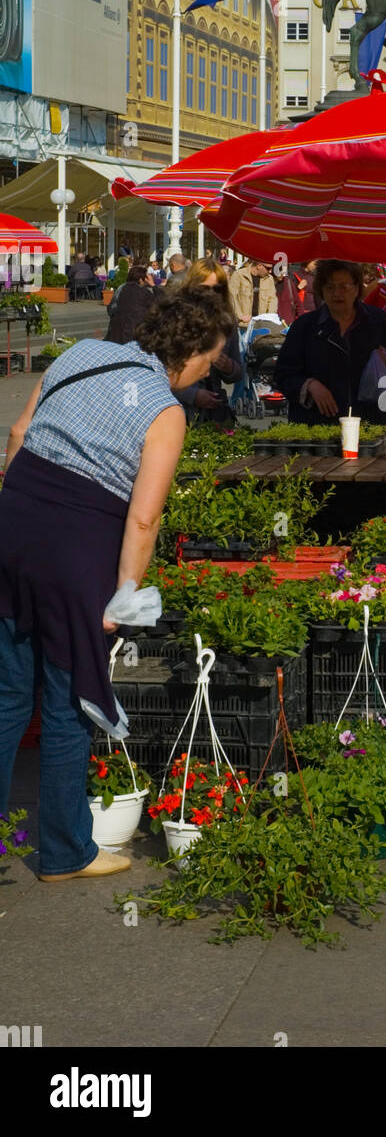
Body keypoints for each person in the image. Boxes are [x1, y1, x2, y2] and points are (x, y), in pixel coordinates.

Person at [0, 289, 234, 881]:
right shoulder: (164, 409)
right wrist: (126, 595)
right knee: (67, 703)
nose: (212, 370)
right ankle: (62, 853)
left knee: (5, 697)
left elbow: (19, 436)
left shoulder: (79, 355)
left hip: (12, 524)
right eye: (211, 359)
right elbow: (143, 518)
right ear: (190, 353)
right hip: (74, 552)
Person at [274, 259, 386, 423]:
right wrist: (310, 385)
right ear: (321, 290)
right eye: (330, 287)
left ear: (357, 288)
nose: (337, 293)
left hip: (370, 423)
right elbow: (283, 375)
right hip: (318, 427)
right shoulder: (305, 326)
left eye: (344, 286)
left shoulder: (377, 321)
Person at [174, 258, 244, 424]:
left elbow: (238, 372)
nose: (211, 294)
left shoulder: (226, 321)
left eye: (217, 289)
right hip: (179, 413)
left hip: (215, 414)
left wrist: (229, 366)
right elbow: (158, 372)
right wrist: (192, 395)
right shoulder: (175, 318)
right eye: (204, 288)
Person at [104, 264, 157, 345]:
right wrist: (153, 285)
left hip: (117, 331)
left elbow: (111, 309)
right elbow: (160, 303)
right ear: (140, 279)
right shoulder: (144, 292)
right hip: (134, 333)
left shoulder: (121, 288)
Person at [228, 257, 279, 324]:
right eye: (268, 268)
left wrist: (270, 318)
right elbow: (231, 297)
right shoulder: (239, 275)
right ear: (259, 266)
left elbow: (272, 299)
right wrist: (240, 316)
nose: (270, 271)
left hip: (261, 325)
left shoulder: (269, 279)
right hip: (242, 324)